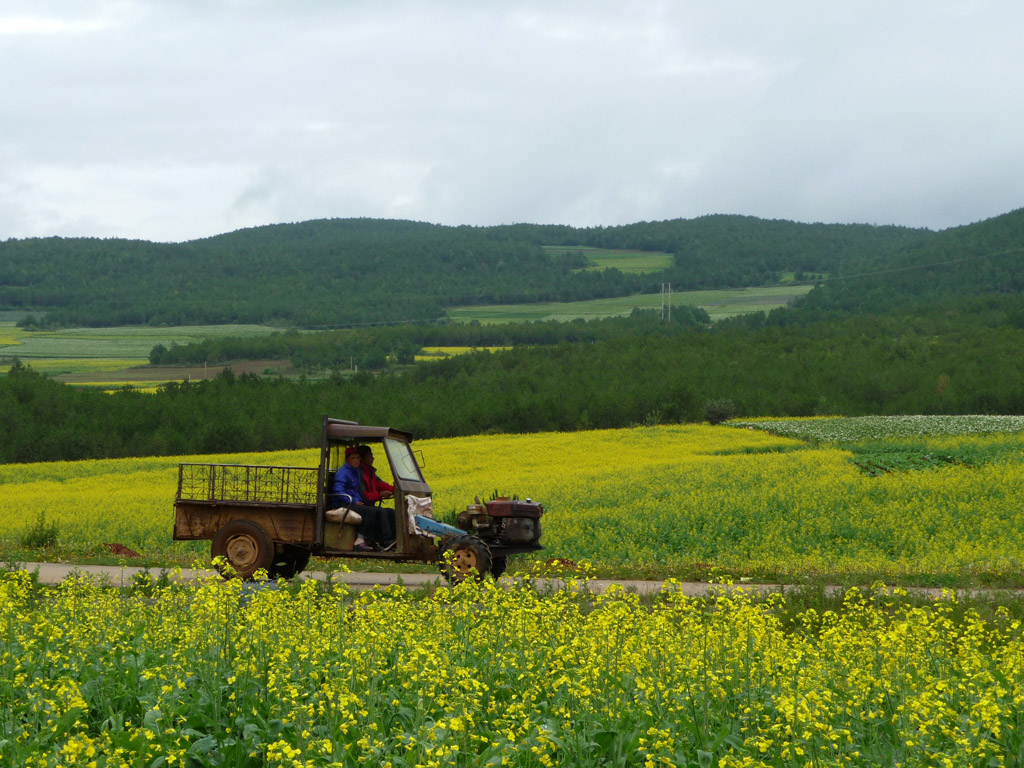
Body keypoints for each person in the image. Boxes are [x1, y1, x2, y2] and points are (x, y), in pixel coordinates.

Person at [328, 446, 394, 551]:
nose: (356, 461)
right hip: (342, 503)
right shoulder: (343, 472)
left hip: (352, 501)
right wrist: (354, 501)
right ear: (347, 459)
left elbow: (356, 490)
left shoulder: (355, 472)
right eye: (353, 458)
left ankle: (373, 541)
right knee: (370, 512)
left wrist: (359, 501)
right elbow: (338, 491)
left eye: (358, 458)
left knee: (376, 511)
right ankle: (360, 541)